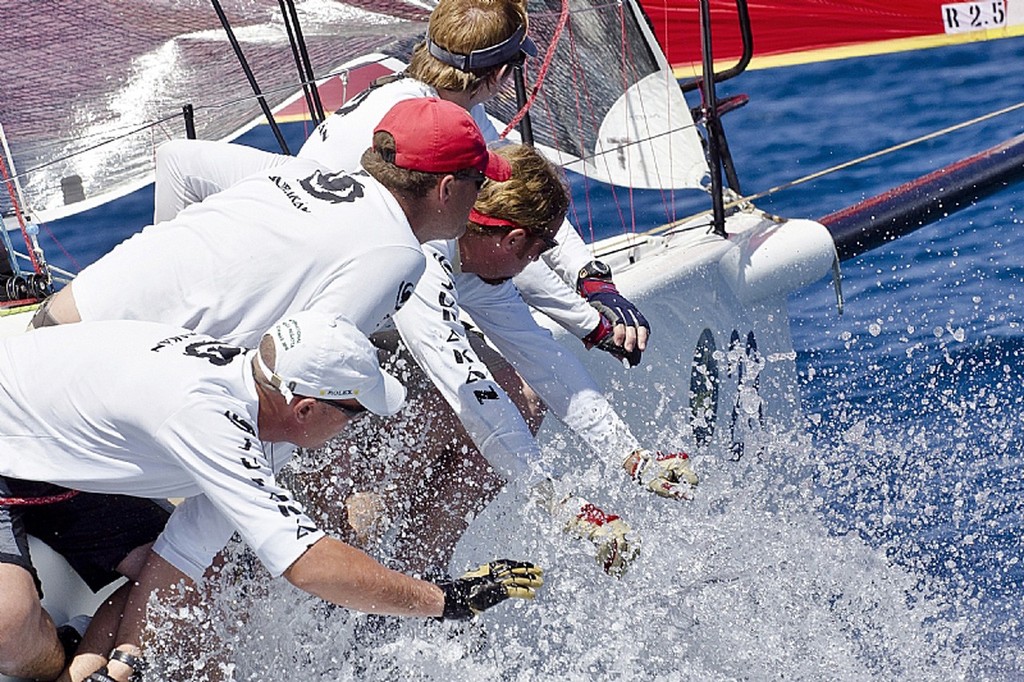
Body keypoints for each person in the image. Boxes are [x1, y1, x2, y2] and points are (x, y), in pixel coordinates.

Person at [0, 311, 543, 682]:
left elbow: (185, 552)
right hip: (9, 459)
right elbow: (306, 564)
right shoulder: (208, 418)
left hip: (61, 466)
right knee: (9, 621)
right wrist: (446, 601)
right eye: (354, 414)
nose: (356, 429)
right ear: (305, 409)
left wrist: (131, 653)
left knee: (200, 615)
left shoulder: (259, 410)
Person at [152, 0, 650, 366]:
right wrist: (590, 321)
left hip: (322, 281)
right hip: (290, 306)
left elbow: (522, 206)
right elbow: (508, 236)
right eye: (517, 62)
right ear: (499, 72)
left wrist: (591, 277)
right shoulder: (428, 127)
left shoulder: (443, 111)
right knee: (506, 396)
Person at [301, 144, 697, 578]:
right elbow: (467, 391)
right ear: (512, 240)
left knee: (521, 395)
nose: (535, 263)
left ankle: (422, 573)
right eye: (540, 250)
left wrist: (632, 457)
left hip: (333, 365)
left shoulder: (473, 257)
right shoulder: (424, 261)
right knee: (365, 512)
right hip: (268, 377)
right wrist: (561, 505)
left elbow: (543, 359)